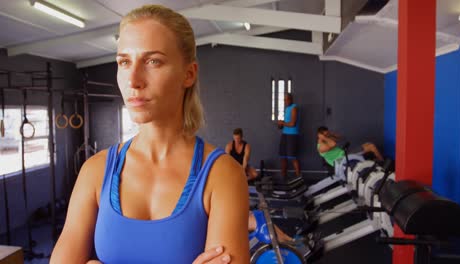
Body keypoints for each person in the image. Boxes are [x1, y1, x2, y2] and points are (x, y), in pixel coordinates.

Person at [51, 5, 249, 264]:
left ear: (188, 74)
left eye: (153, 61)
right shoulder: (95, 171)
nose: (133, 80)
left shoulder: (222, 175)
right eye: (124, 62)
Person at [317, 126, 384, 166]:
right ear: (321, 135)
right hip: (342, 159)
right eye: (326, 134)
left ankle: (379, 161)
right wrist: (324, 137)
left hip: (344, 154)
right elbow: (333, 144)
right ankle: (382, 163)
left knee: (367, 143)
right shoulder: (321, 147)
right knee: (371, 146)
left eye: (328, 133)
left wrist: (330, 134)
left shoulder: (327, 141)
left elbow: (340, 138)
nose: (328, 135)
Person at [277, 93, 301, 178]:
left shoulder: (294, 107)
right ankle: (284, 178)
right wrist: (280, 124)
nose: (285, 101)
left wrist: (282, 123)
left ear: (291, 99)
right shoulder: (286, 109)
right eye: (284, 100)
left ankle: (299, 178)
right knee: (283, 157)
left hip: (292, 135)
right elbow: (285, 124)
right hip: (285, 134)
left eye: (287, 99)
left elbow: (293, 123)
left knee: (293, 157)